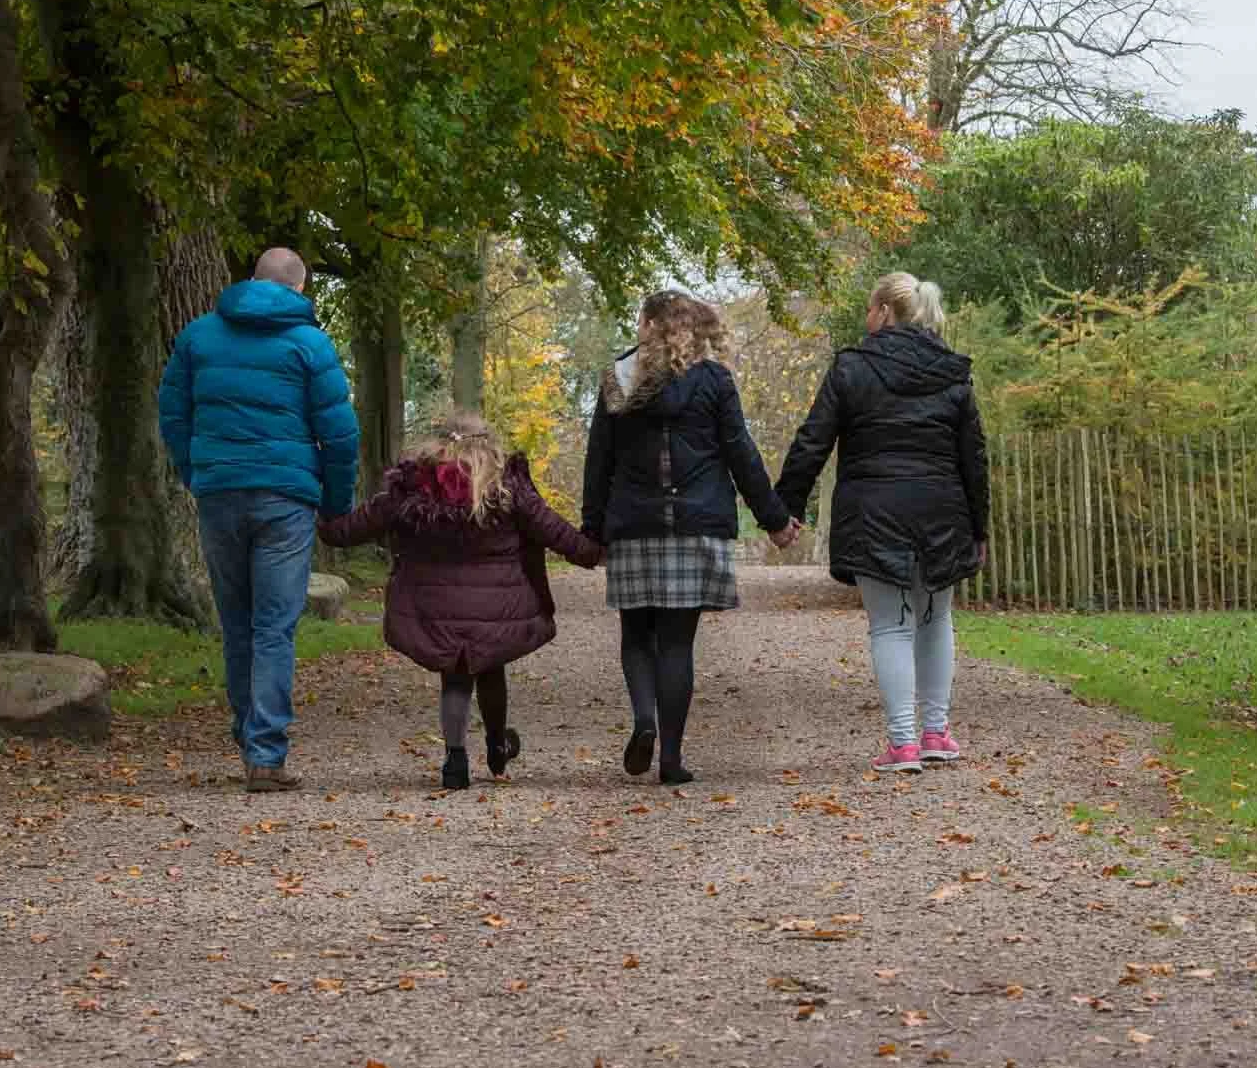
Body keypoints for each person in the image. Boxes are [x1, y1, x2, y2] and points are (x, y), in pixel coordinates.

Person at [159, 247, 360, 793]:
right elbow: (340, 434)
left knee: (238, 621)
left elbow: (173, 413)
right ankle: (265, 754)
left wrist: (195, 470)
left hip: (219, 492)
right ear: (298, 289)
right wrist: (336, 505)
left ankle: (247, 732)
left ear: (249, 281)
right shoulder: (309, 344)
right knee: (274, 625)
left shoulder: (199, 336)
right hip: (285, 499)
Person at [582, 291, 800, 784]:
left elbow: (600, 461)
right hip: (695, 526)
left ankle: (643, 721)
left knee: (636, 635)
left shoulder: (617, 380)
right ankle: (672, 760)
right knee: (678, 645)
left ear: (649, 325)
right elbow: (741, 453)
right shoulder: (713, 380)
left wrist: (592, 529)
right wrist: (775, 520)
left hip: (634, 525)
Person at [318, 413, 604, 790]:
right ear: (487, 445)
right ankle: (497, 748)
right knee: (491, 667)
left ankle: (455, 760)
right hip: (495, 609)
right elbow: (554, 530)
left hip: (434, 608)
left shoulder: (410, 488)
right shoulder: (507, 486)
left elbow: (350, 529)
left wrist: (321, 517)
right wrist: (594, 552)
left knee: (454, 677)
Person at [774, 272, 989, 774]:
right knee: (936, 620)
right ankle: (936, 733)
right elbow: (973, 458)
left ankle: (903, 743)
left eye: (870, 310)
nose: (866, 319)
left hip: (874, 511)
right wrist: (978, 528)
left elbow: (813, 440)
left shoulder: (852, 368)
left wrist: (786, 508)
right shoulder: (952, 372)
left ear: (885, 313)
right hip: (942, 509)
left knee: (891, 626)